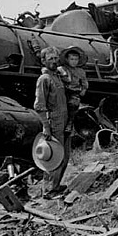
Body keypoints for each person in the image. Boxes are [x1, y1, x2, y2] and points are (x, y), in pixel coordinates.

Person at [34, 46, 70, 198]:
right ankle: (49, 190)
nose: (54, 62)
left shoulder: (57, 77)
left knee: (65, 155)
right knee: (54, 156)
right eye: (51, 59)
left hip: (64, 119)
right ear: (43, 61)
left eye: (56, 58)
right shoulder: (44, 79)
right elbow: (39, 106)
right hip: (53, 121)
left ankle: (56, 185)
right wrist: (46, 127)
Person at [57, 46, 89, 134]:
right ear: (67, 59)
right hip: (62, 91)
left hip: (74, 91)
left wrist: (84, 89)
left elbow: (84, 82)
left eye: (76, 59)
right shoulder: (62, 68)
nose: (74, 61)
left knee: (73, 104)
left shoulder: (81, 71)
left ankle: (70, 123)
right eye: (72, 59)